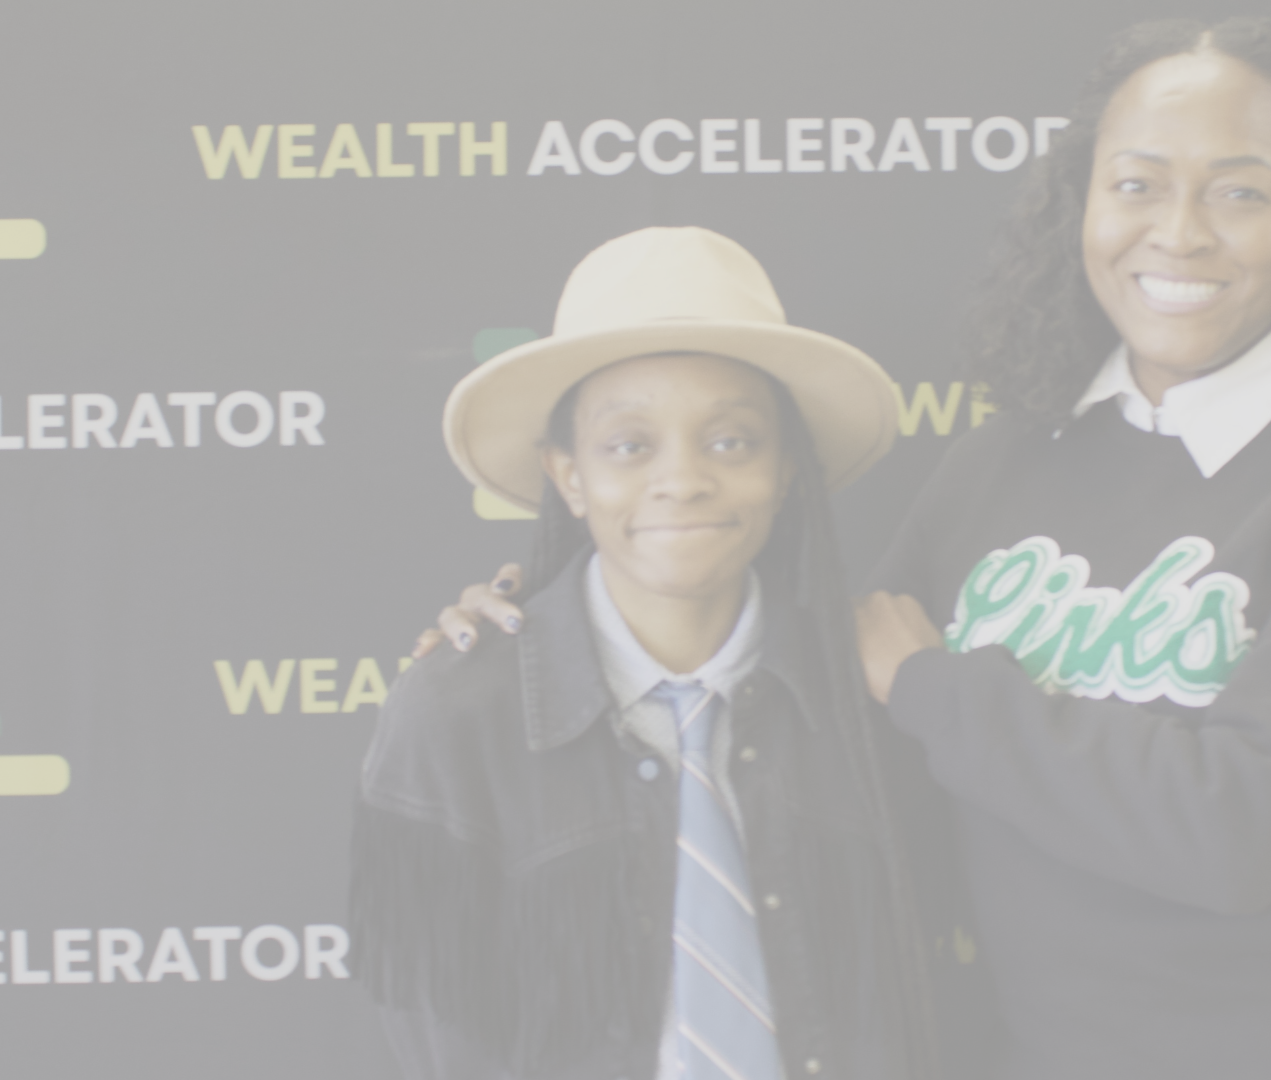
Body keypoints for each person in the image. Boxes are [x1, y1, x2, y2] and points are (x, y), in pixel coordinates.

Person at [423, 17, 1271, 1080]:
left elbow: (1237, 830)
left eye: (1241, 192)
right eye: (1136, 184)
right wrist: (564, 640)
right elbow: (825, 717)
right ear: (1081, 207)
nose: (1179, 231)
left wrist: (941, 692)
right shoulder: (1005, 460)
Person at [352, 227, 950, 1080]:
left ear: (785, 471)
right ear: (569, 476)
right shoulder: (453, 715)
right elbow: (430, 1028)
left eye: (731, 441)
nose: (683, 479)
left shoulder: (866, 701)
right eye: (630, 446)